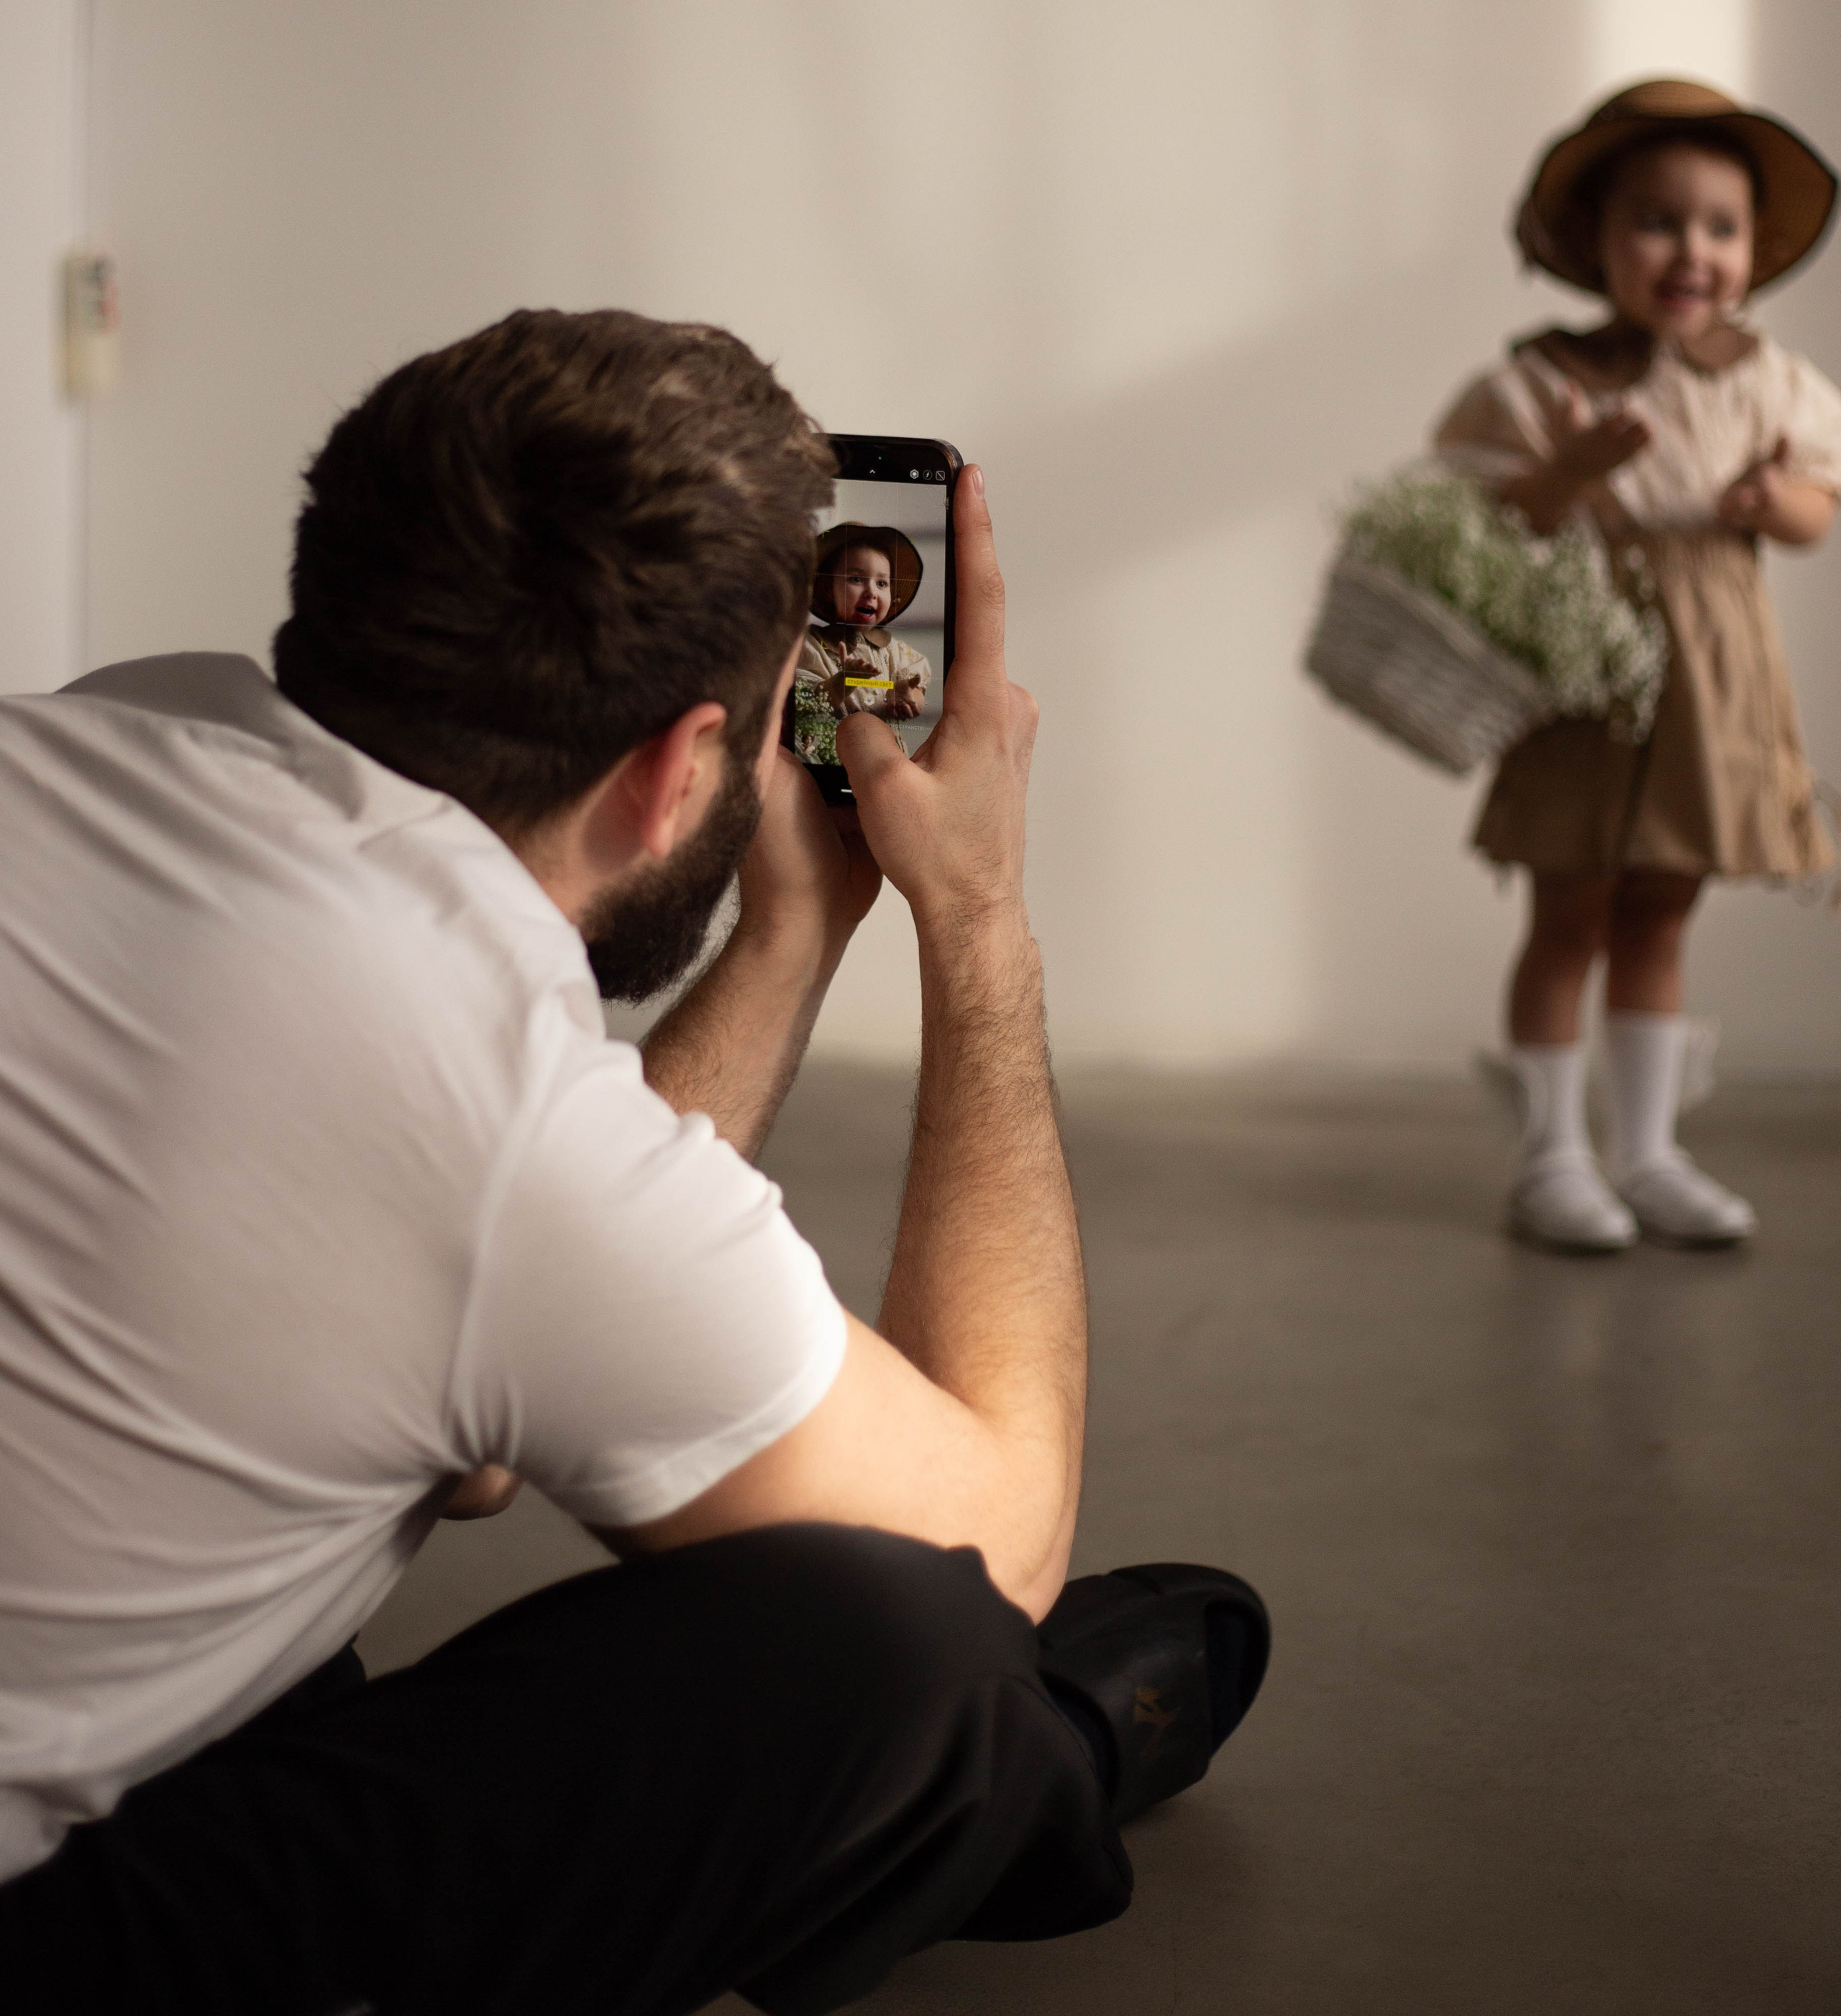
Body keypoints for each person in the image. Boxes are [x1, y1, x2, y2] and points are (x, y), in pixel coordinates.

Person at [0, 308, 1269, 2015]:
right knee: (912, 1657)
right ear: (681, 766)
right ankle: (1043, 1761)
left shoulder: (86, 731)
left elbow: (459, 1457)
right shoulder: (489, 1105)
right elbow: (998, 1544)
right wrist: (973, 912)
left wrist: (786, 932)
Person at [1435, 80, 1841, 1251]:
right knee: (1571, 907)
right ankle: (1554, 1153)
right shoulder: (1543, 381)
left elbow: (1818, 506)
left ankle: (1651, 1148)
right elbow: (1487, 513)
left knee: (1663, 908)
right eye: (1657, 222)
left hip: (1715, 674)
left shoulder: (1769, 381)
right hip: (1589, 670)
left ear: (1753, 249)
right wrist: (1572, 471)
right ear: (1598, 240)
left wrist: (1774, 501)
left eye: (1720, 226)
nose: (1691, 252)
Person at [794, 523, 935, 758]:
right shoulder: (811, 645)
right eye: (856, 579)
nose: (872, 592)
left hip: (885, 760)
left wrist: (908, 697)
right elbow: (807, 703)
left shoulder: (894, 651)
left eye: (881, 583)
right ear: (828, 589)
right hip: (830, 758)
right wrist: (844, 680)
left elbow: (917, 687)